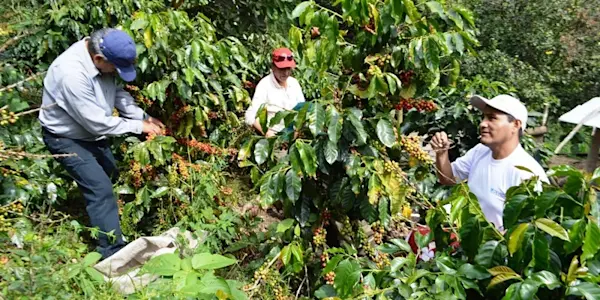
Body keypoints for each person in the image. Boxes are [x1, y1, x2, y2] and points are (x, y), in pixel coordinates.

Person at [38, 28, 164, 259]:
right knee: (100, 189)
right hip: (66, 138)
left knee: (112, 175)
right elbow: (96, 123)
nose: (115, 72)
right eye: (115, 68)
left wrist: (141, 117)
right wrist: (139, 127)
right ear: (99, 59)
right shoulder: (71, 74)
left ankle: (109, 221)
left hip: (92, 135)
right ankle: (112, 253)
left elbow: (117, 93)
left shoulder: (102, 61)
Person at [430, 94, 549, 231]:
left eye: (492, 118)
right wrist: (441, 153)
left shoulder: (527, 173)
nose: (483, 124)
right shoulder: (480, 151)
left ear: (515, 125)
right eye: (484, 117)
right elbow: (448, 178)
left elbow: (531, 229)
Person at [244, 48, 305, 137]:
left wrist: (298, 130)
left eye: (288, 69)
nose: (286, 73)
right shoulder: (265, 85)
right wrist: (268, 133)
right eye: (282, 69)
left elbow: (303, 110)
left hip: (294, 139)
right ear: (273, 67)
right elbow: (250, 116)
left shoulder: (294, 83)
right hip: (274, 139)